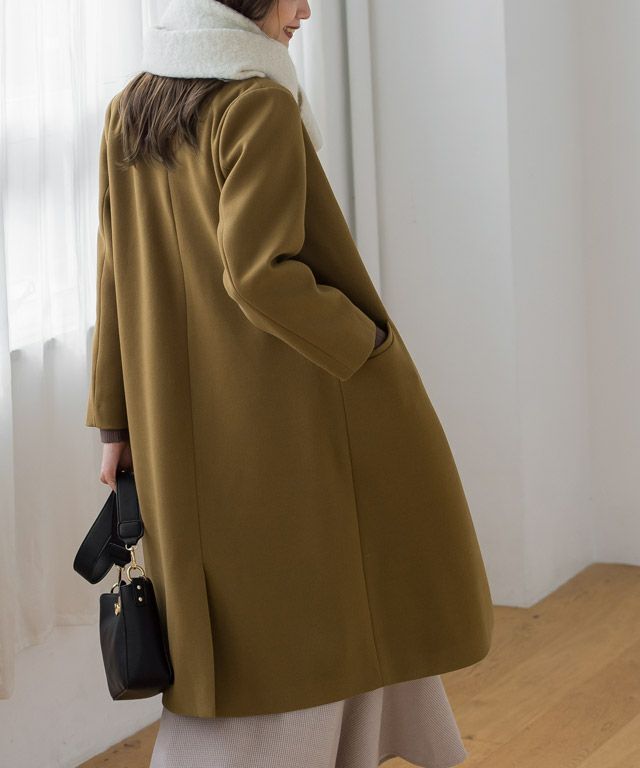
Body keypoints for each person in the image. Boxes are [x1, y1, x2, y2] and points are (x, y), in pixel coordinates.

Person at [86, 0, 494, 765]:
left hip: (175, 426)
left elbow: (112, 279)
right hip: (284, 412)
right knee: (323, 609)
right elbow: (258, 274)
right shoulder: (256, 102)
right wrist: (365, 344)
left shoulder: (131, 106)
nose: (305, 9)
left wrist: (116, 423)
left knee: (251, 620)